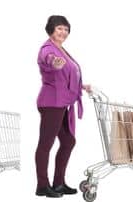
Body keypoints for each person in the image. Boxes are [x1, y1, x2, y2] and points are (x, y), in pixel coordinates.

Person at [35, 15, 93, 198]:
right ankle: (42, 186)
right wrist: (54, 62)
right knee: (46, 144)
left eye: (66, 29)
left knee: (68, 141)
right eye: (60, 28)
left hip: (61, 103)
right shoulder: (48, 48)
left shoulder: (63, 49)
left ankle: (58, 183)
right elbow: (47, 58)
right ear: (51, 29)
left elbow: (68, 74)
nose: (63, 32)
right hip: (51, 103)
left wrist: (80, 86)